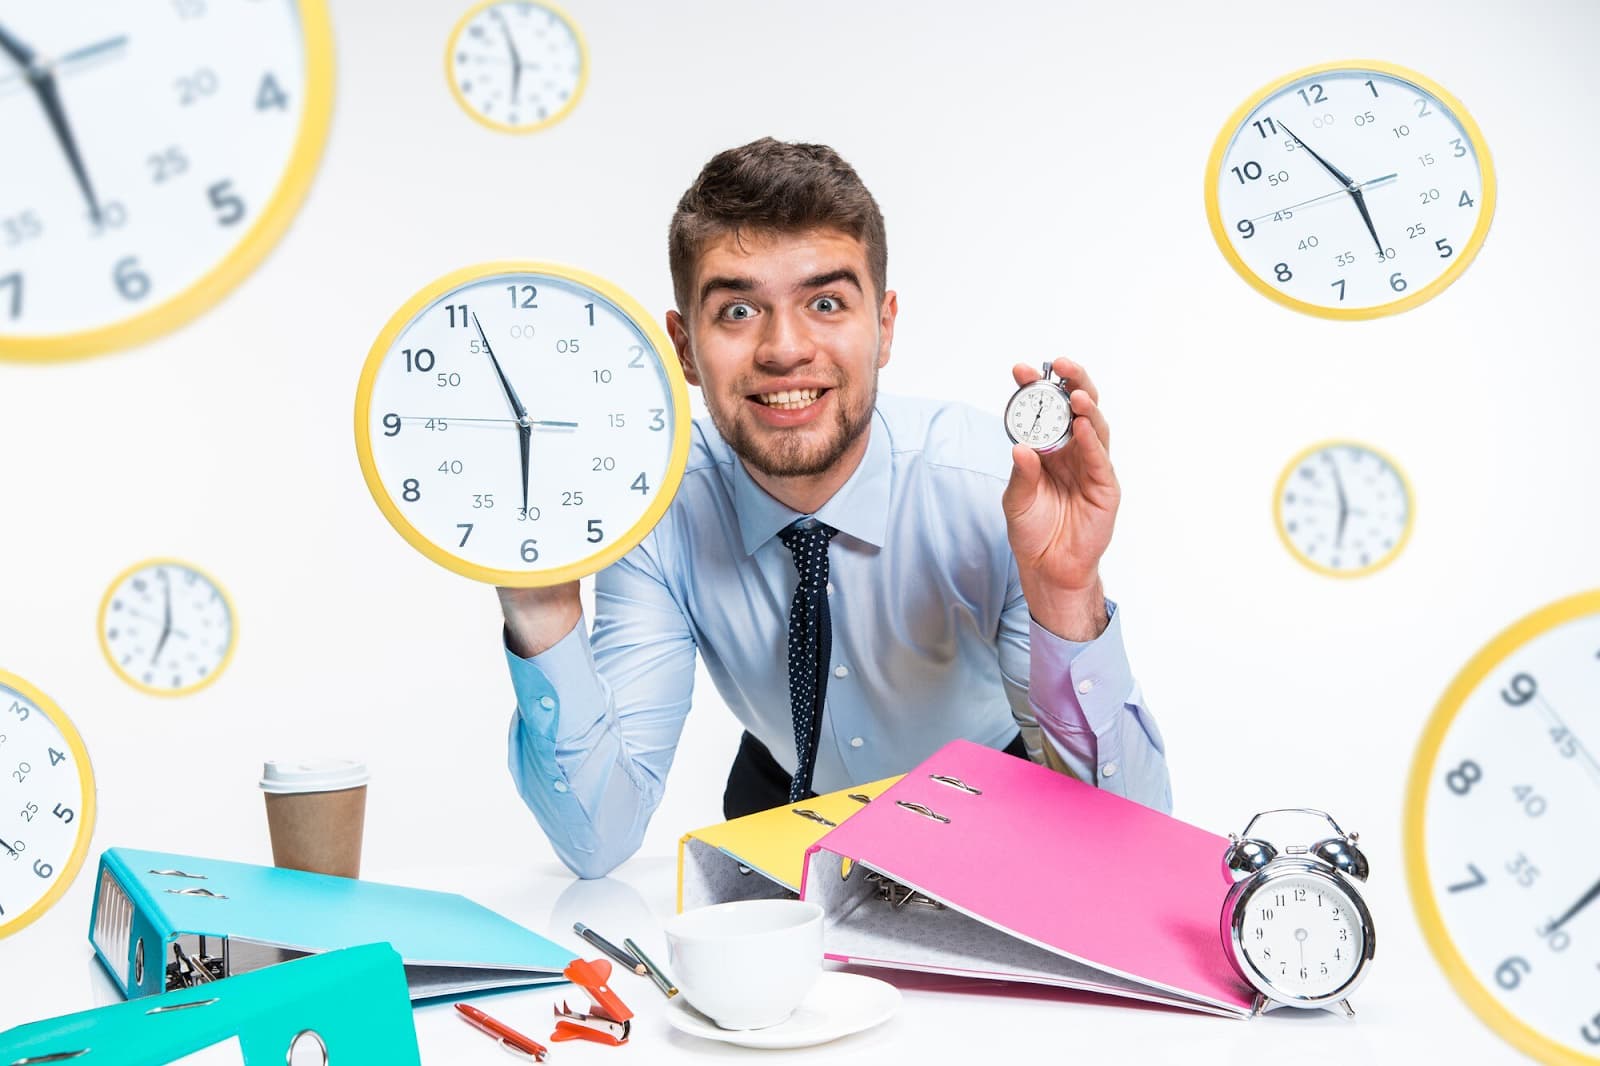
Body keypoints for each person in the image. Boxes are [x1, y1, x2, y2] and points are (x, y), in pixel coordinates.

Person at [497, 138, 1170, 879]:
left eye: (825, 303)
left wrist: (1067, 597)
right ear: (685, 348)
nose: (785, 350)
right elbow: (597, 841)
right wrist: (542, 612)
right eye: (739, 309)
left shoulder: (993, 490)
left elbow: (1131, 847)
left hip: (994, 810)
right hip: (781, 808)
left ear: (883, 325)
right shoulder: (653, 509)